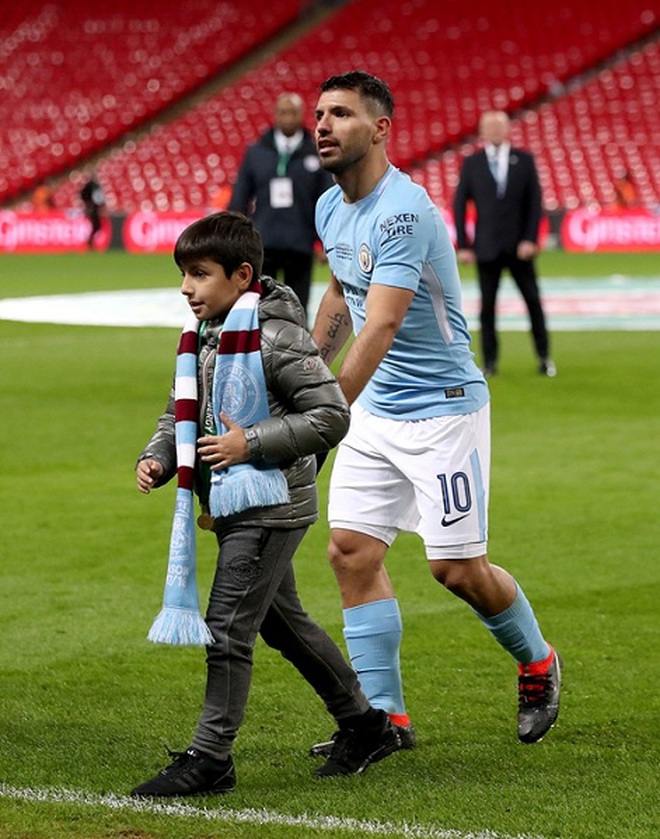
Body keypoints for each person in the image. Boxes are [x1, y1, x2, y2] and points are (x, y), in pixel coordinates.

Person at [310, 71, 562, 757]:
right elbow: (340, 294)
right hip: (376, 415)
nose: (324, 125)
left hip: (441, 412)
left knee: (454, 568)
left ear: (381, 128)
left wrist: (320, 415)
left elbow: (382, 324)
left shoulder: (405, 212)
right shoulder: (330, 207)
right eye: (320, 113)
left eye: (342, 114)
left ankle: (537, 660)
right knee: (351, 551)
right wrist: (308, 373)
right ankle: (383, 718)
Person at [131, 211, 402, 798]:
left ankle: (212, 758)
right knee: (285, 625)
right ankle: (366, 724)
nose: (186, 288)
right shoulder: (205, 333)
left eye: (199, 274)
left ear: (241, 275)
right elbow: (180, 410)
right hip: (233, 502)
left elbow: (331, 415)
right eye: (184, 274)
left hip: (270, 505)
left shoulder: (276, 336)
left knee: (227, 628)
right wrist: (157, 455)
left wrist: (247, 442)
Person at [453, 110, 556, 377]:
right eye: (489, 127)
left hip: (520, 249)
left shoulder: (524, 160)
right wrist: (464, 244)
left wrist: (531, 239)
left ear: (508, 129)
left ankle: (544, 357)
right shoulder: (472, 163)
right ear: (482, 132)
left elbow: (535, 203)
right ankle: (489, 362)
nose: (495, 132)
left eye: (499, 126)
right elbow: (459, 204)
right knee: (487, 308)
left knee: (533, 302)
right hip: (486, 248)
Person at [229, 92, 333, 321]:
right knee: (261, 307)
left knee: (298, 308)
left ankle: (297, 355)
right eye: (283, 112)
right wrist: (234, 239)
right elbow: (240, 197)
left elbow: (327, 199)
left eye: (293, 112)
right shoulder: (256, 152)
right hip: (263, 243)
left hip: (300, 243)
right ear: (275, 115)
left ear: (301, 115)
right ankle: (261, 354)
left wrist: (326, 241)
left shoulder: (316, 150)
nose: (288, 117)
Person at [79, 173, 105, 249]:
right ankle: (90, 242)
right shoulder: (92, 186)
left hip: (93, 208)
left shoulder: (92, 186)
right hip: (93, 208)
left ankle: (90, 241)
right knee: (96, 225)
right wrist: (88, 203)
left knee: (96, 226)